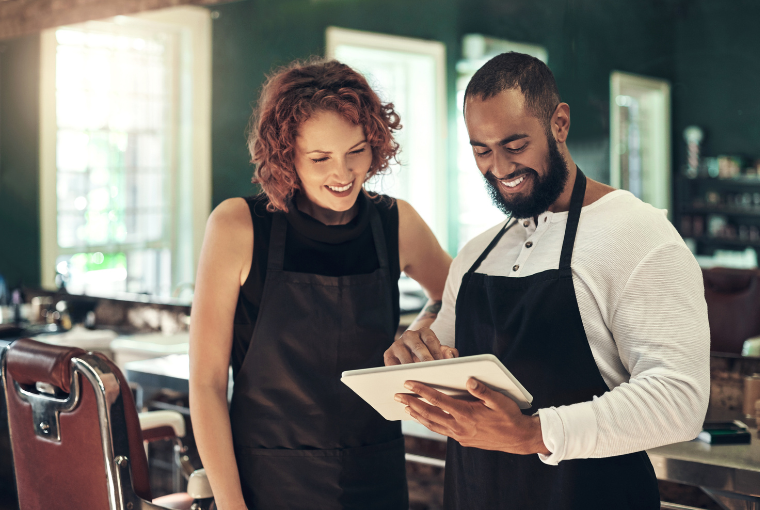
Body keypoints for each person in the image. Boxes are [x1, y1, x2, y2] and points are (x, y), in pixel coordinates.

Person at [385, 52, 710, 510]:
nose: (498, 168)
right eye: (481, 150)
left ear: (559, 123)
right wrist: (415, 354)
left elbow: (679, 400)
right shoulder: (477, 254)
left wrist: (532, 433)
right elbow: (443, 355)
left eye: (515, 146)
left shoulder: (639, 237)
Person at [189, 59, 452, 510]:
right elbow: (207, 385)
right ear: (286, 154)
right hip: (267, 483)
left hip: (376, 478)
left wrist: (421, 333)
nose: (343, 173)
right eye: (320, 158)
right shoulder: (238, 226)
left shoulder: (396, 223)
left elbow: (456, 294)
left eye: (357, 151)